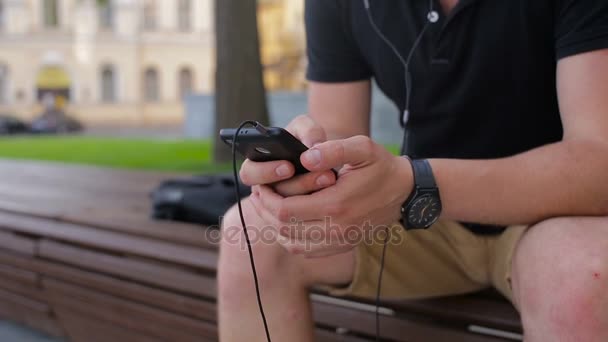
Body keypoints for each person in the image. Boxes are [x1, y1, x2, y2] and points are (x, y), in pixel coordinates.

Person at [218, 0, 608, 340]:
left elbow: (598, 159)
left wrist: (415, 184)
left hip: (553, 214)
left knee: (583, 278)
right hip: (418, 217)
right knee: (249, 232)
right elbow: (335, 126)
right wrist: (310, 169)